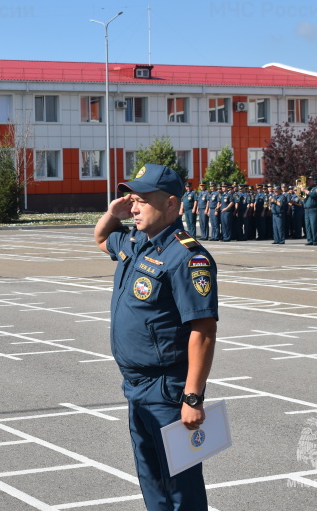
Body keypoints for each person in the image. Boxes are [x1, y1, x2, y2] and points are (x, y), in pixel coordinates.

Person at [94, 164, 218, 511]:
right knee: (151, 479)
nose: (134, 208)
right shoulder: (136, 242)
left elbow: (204, 330)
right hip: (135, 385)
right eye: (132, 200)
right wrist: (111, 212)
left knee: (181, 487)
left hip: (167, 390)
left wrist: (192, 398)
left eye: (143, 201)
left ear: (171, 205)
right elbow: (102, 238)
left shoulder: (187, 256)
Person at [301, 176, 317, 246]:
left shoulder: (316, 189)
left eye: (310, 180)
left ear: (313, 181)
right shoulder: (308, 189)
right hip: (306, 209)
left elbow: (314, 195)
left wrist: (306, 191)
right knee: (308, 226)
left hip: (313, 209)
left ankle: (315, 240)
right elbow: (301, 197)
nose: (308, 182)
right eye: (308, 180)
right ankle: (310, 240)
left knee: (313, 225)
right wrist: (301, 191)